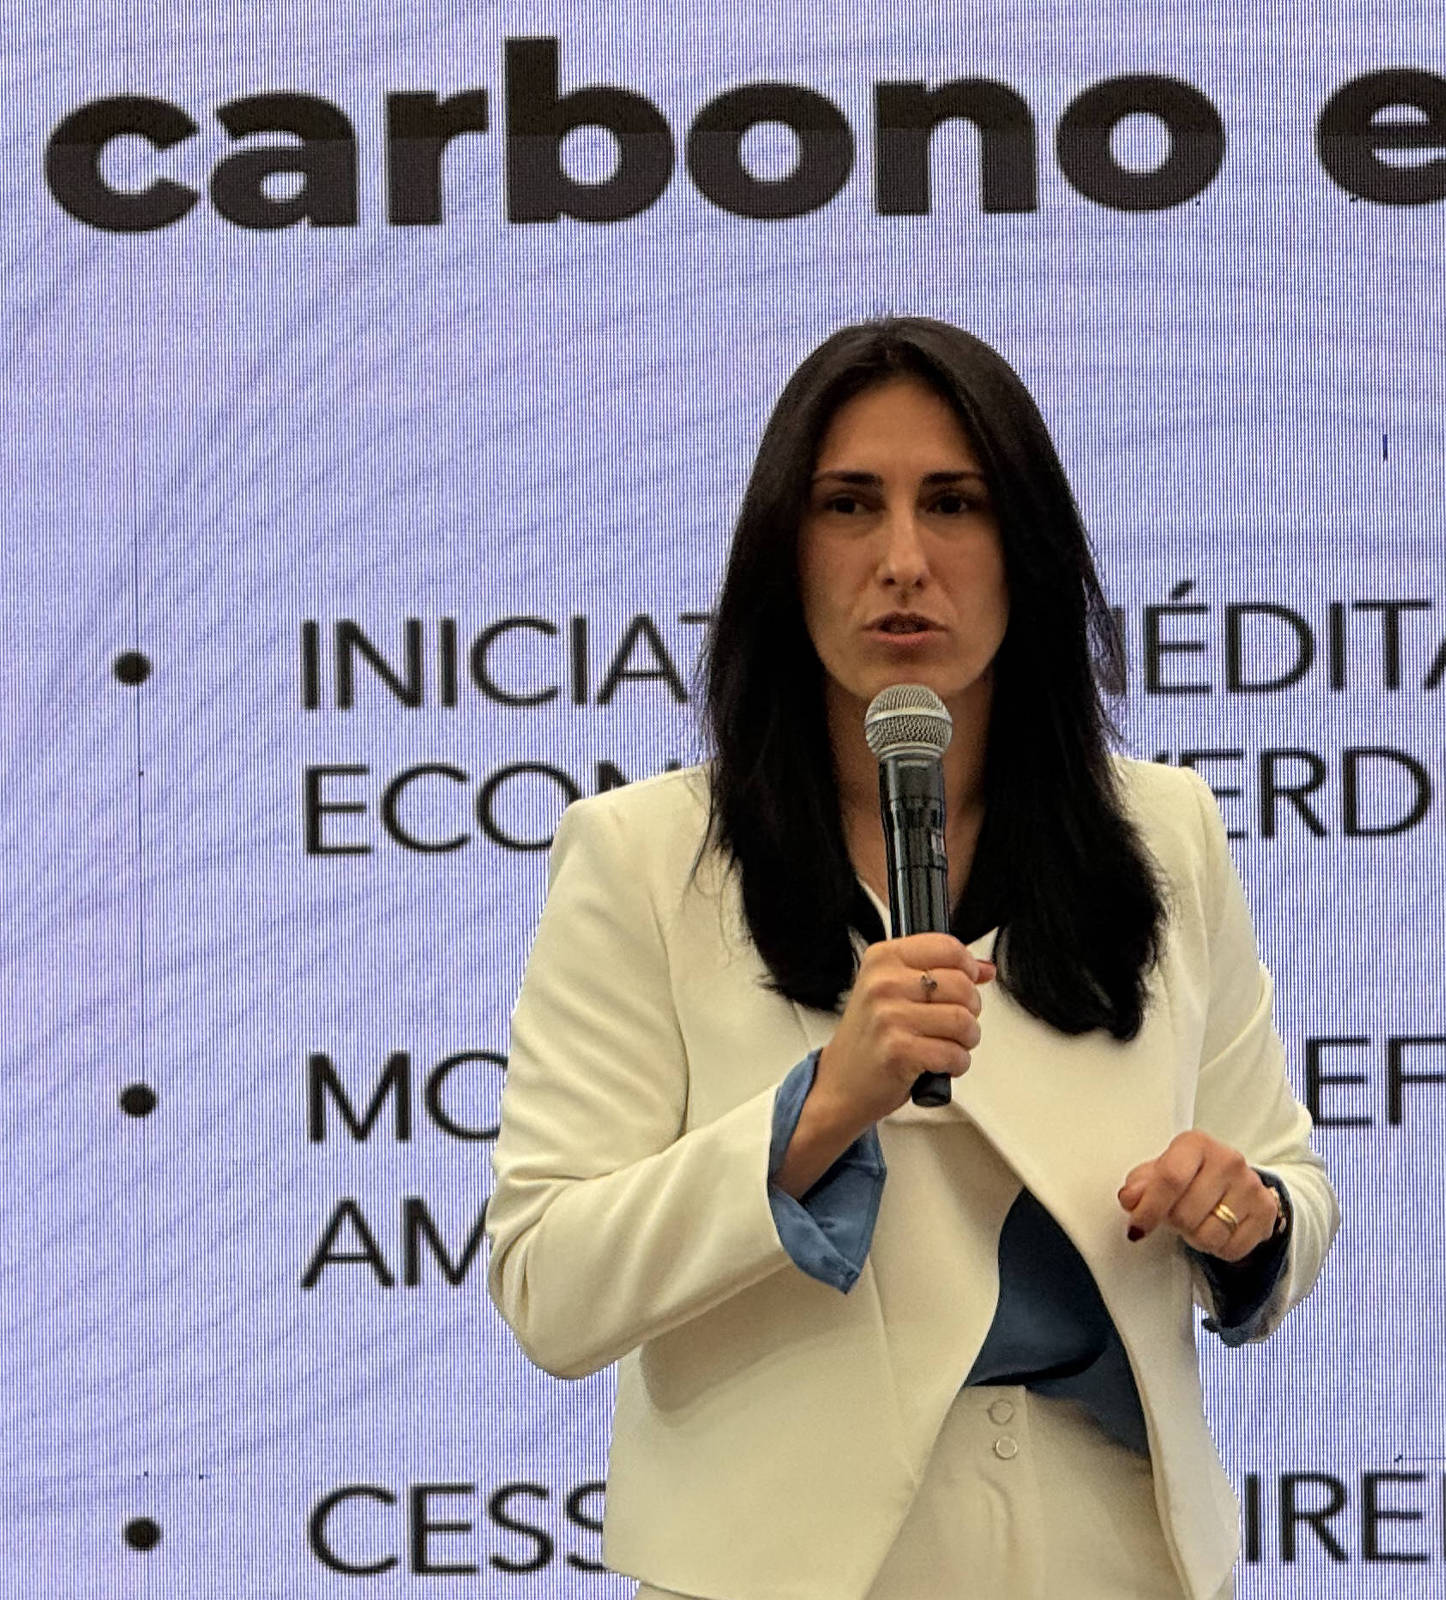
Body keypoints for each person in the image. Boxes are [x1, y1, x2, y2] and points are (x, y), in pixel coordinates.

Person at [485, 316, 1337, 1600]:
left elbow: (1288, 1189)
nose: (902, 560)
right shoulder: (645, 857)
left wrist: (1246, 1217)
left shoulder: (1164, 831)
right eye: (848, 505)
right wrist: (817, 1110)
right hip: (782, 1566)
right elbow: (550, 1281)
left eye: (953, 502)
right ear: (783, 551)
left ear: (1025, 545)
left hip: (1113, 1550)